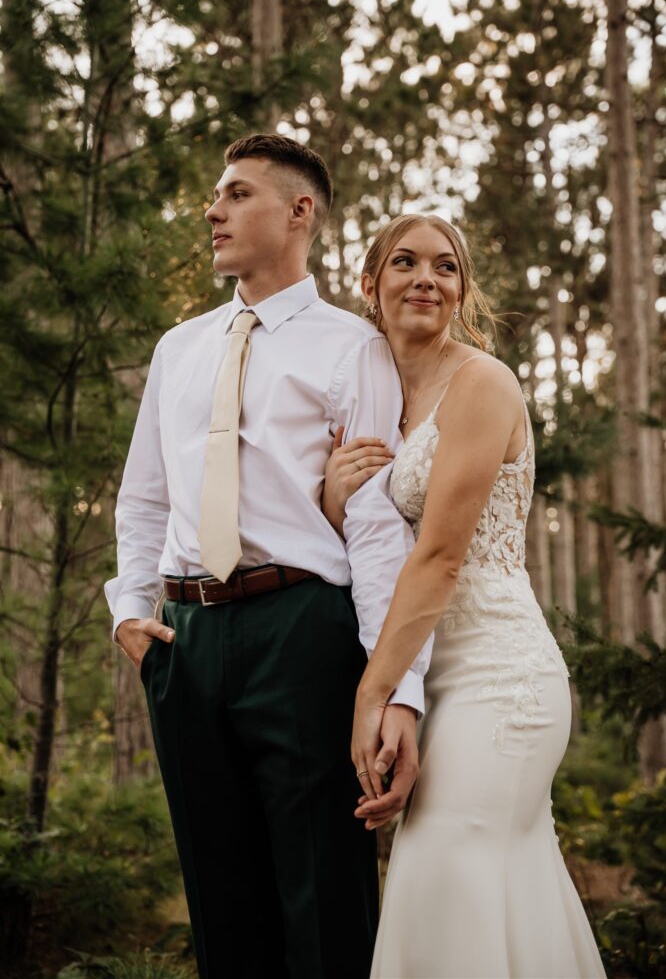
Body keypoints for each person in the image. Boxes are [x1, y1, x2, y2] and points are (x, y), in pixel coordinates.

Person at [104, 135, 424, 979]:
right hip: (183, 641)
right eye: (216, 196)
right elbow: (142, 499)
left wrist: (397, 691)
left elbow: (377, 527)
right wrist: (131, 612)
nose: (212, 211)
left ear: (298, 211)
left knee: (324, 895)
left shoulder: (353, 348)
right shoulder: (179, 348)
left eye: (236, 194)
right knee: (221, 905)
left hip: (302, 632)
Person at [324, 213, 607, 978]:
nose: (425, 278)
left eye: (444, 267)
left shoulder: (482, 383)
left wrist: (372, 694)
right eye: (405, 263)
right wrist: (332, 497)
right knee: (500, 890)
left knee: (443, 873)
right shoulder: (373, 400)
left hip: (496, 674)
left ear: (461, 290)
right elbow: (370, 549)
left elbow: (442, 556)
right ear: (369, 284)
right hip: (427, 675)